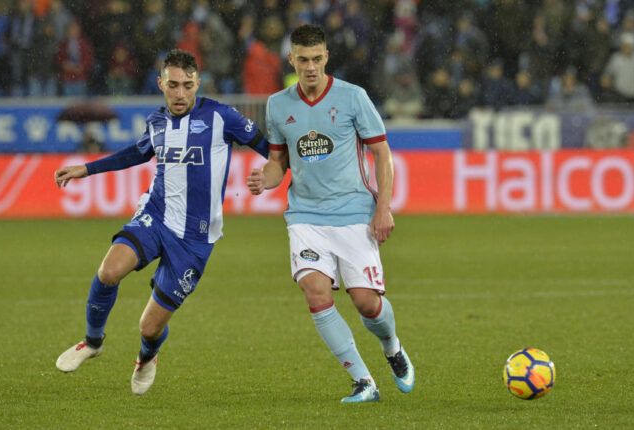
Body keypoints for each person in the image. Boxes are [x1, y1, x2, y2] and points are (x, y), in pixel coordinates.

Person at [54, 49, 268, 395]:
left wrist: (272, 175)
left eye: (186, 85)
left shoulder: (222, 116)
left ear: (197, 82)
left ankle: (146, 357)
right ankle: (92, 342)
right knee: (109, 271)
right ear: (161, 84)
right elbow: (136, 153)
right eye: (173, 85)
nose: (180, 93)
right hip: (156, 216)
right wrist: (86, 169)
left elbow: (269, 147)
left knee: (150, 326)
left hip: (195, 239)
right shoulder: (157, 121)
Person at [246, 24, 414, 404]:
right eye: (302, 59)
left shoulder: (353, 98)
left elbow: (382, 154)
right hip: (305, 216)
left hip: (354, 212)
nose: (310, 67)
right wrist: (265, 180)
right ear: (291, 59)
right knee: (316, 293)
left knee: (366, 303)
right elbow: (277, 163)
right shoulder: (277, 105)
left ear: (326, 57)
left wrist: (383, 208)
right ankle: (363, 382)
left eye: (317, 59)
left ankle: (391, 346)